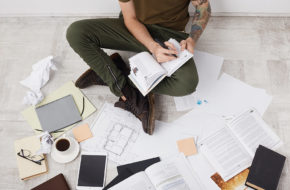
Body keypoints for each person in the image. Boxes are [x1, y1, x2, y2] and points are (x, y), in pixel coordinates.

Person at [66, 0, 211, 135]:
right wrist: (153, 47)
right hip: (133, 28)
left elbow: (203, 4)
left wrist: (192, 39)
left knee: (187, 84)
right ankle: (129, 91)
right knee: (76, 32)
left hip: (169, 35)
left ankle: (114, 74)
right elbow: (130, 19)